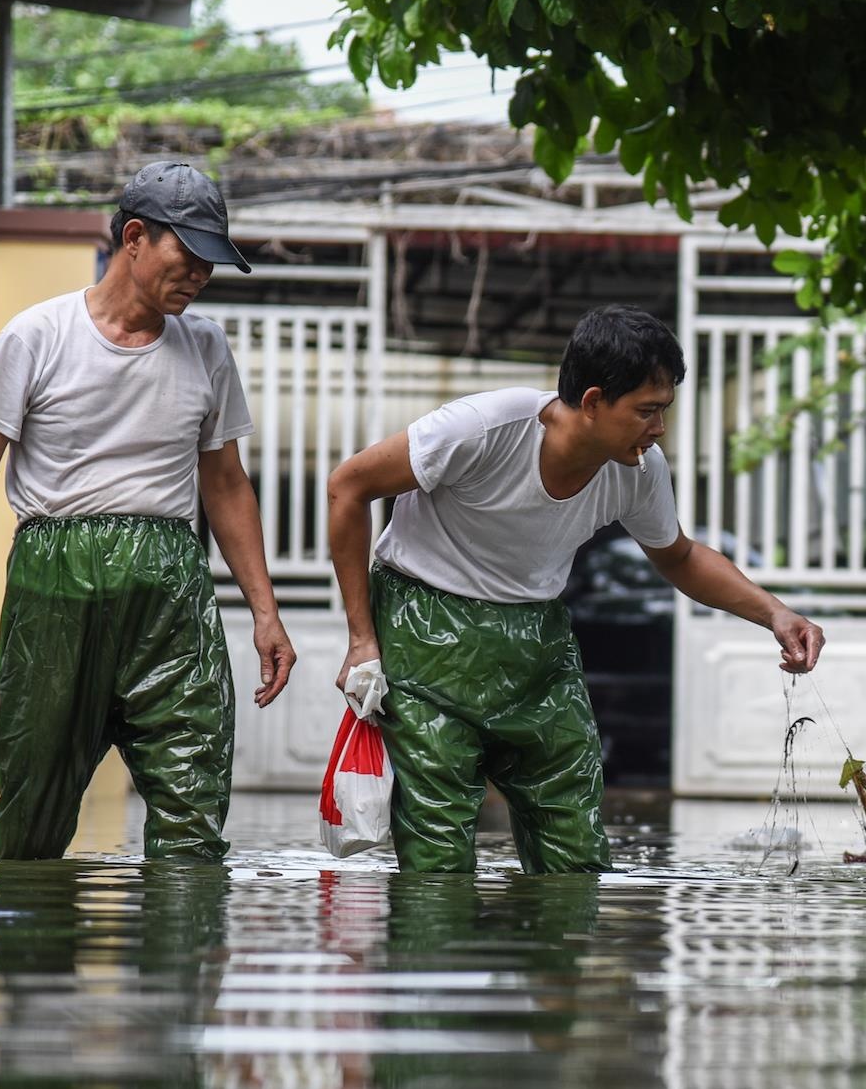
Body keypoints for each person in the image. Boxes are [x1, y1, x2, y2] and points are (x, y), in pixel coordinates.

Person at [0, 162, 296, 860]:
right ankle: (29, 955)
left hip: (169, 597)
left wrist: (264, 610)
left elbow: (225, 484)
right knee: (33, 808)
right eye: (187, 254)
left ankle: (184, 960)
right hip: (55, 589)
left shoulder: (206, 348)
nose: (199, 274)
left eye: (211, 263)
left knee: (193, 800)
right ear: (134, 237)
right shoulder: (37, 336)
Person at [324, 304, 824, 874]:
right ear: (591, 402)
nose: (658, 428)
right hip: (425, 635)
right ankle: (435, 953)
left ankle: (559, 956)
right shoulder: (482, 429)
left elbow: (679, 556)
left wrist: (776, 615)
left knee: (574, 839)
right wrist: (362, 638)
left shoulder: (638, 468)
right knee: (437, 847)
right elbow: (348, 486)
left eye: (664, 411)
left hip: (536, 644)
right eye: (646, 411)